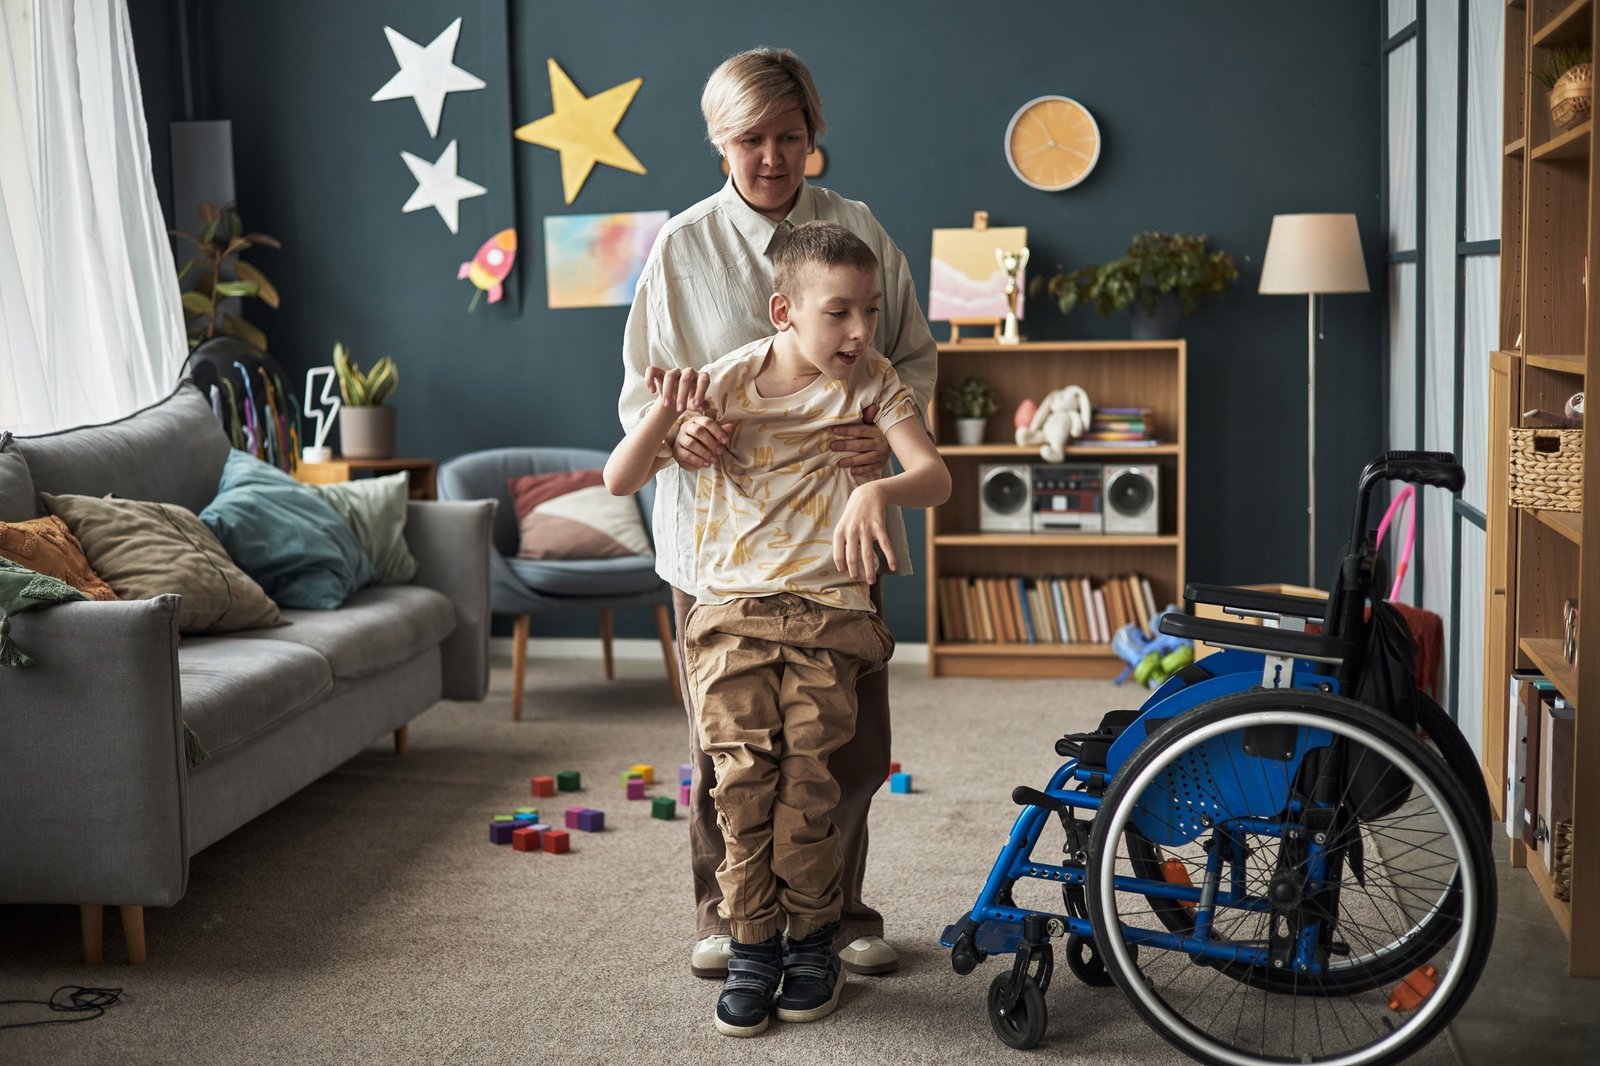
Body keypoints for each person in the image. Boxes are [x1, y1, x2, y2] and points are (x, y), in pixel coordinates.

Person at [618, 46, 937, 981]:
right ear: (720, 144)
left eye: (790, 137)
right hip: (720, 549)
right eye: (751, 139)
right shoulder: (682, 248)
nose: (771, 157)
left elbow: (910, 359)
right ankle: (728, 915)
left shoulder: (859, 228)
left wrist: (885, 440)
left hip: (839, 538)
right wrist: (674, 437)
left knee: (845, 740)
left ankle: (836, 914)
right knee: (733, 745)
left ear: (814, 140)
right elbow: (644, 397)